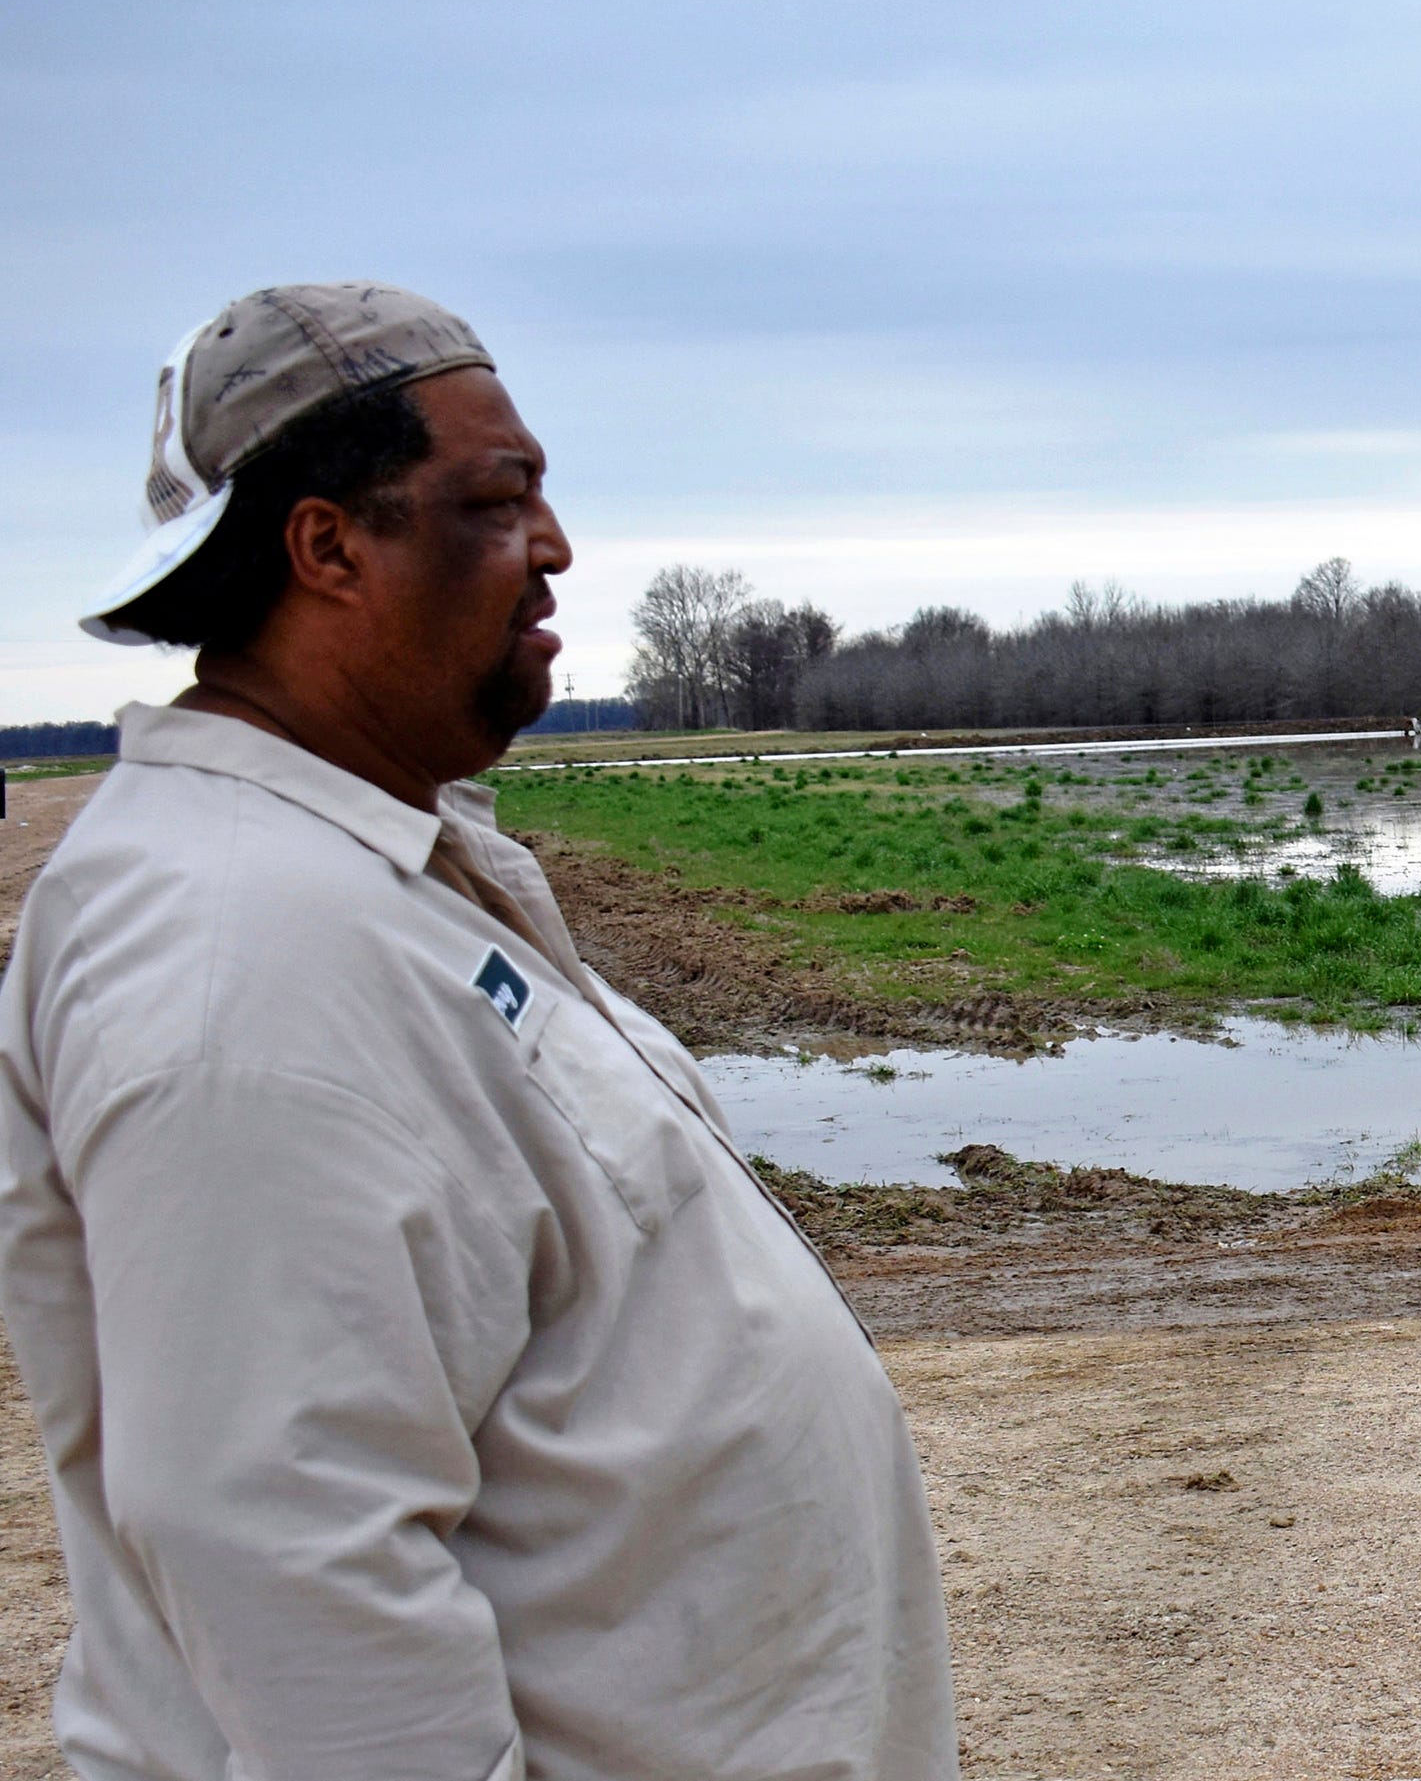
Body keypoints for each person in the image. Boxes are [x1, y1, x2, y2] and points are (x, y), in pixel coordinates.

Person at [0, 285, 954, 1778]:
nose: (556, 547)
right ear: (328, 546)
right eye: (500, 500)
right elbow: (292, 1557)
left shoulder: (360, 869)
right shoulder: (237, 957)